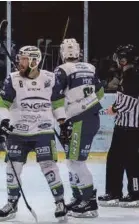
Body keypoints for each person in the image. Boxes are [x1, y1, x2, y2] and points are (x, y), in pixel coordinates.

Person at [0, 46, 68, 222]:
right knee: (13, 169)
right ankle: (12, 203)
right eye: (20, 58)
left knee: (49, 166)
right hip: (17, 132)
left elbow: (57, 103)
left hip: (43, 131)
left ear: (35, 61)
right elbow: (2, 103)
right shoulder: (12, 79)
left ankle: (60, 202)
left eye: (25, 59)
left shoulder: (50, 78)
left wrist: (63, 123)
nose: (20, 62)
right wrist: (4, 122)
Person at [54, 38, 104, 218]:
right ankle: (78, 197)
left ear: (62, 53)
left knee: (76, 162)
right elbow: (100, 93)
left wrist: (66, 114)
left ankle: (89, 203)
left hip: (77, 122)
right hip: (87, 119)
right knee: (71, 161)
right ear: (78, 52)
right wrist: (84, 104)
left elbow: (55, 96)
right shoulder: (90, 68)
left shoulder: (61, 70)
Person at [98, 44, 139, 208]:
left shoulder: (133, 75)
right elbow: (123, 98)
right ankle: (114, 192)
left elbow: (129, 101)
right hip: (122, 125)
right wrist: (116, 107)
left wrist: (113, 108)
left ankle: (135, 193)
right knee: (114, 159)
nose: (116, 60)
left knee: (131, 161)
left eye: (118, 58)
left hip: (132, 127)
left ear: (124, 59)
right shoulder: (127, 74)